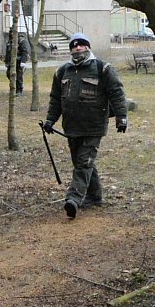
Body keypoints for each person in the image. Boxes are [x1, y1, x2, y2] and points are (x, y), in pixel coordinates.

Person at [42, 33, 127, 221]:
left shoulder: (102, 68)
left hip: (94, 126)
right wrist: (50, 120)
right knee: (83, 163)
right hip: (71, 127)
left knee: (83, 163)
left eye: (81, 46)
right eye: (74, 47)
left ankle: (73, 199)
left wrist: (121, 117)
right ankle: (95, 196)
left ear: (88, 48)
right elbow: (56, 99)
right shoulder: (62, 71)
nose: (77, 49)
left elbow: (117, 93)